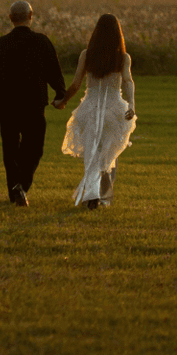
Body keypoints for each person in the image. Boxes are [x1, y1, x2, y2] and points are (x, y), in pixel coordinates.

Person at [0, 0, 70, 207]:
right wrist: (60, 93)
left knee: (10, 148)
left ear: (10, 18)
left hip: (7, 103)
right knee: (34, 147)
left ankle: (15, 190)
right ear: (31, 16)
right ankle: (21, 185)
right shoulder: (42, 42)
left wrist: (9, 75)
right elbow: (53, 71)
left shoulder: (1, 43)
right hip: (34, 102)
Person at [61, 12, 137, 210]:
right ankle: (102, 197)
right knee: (109, 156)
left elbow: (76, 84)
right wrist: (131, 104)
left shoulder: (87, 55)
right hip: (114, 110)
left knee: (92, 154)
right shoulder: (123, 58)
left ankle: (94, 194)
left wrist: (63, 99)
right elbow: (128, 82)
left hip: (90, 109)